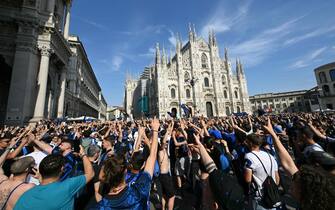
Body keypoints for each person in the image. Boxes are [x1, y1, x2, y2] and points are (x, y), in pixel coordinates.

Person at [94, 118, 160, 210]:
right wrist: (155, 130)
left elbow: (135, 155)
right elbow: (152, 156)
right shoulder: (139, 192)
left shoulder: (101, 206)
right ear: (125, 171)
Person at [14, 145, 94, 210]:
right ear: (62, 169)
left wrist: (40, 178)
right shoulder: (67, 187)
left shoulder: (26, 195)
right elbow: (90, 174)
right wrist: (83, 154)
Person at [244, 134, 280, 210]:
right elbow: (277, 178)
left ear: (250, 143)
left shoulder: (249, 156)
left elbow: (248, 179)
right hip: (272, 194)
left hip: (259, 194)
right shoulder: (270, 155)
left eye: (247, 141)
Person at [158, 122, 175, 210]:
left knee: (164, 194)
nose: (167, 143)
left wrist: (171, 126)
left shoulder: (164, 149)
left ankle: (163, 208)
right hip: (164, 175)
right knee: (172, 196)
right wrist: (167, 131)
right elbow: (164, 141)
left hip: (164, 174)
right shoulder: (161, 150)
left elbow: (166, 139)